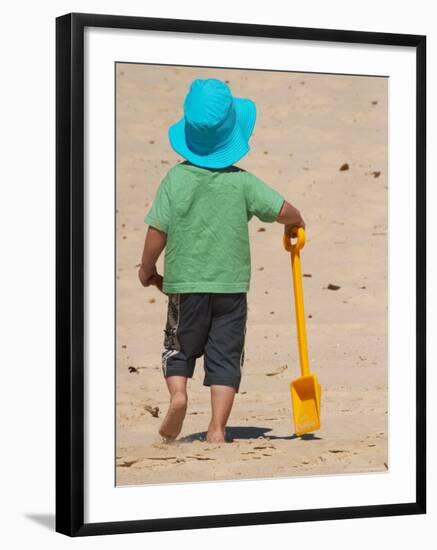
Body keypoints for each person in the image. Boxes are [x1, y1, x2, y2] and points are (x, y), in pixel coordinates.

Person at [138, 78, 305, 443]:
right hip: (230, 288)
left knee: (179, 347)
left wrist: (147, 268)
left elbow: (157, 232)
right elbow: (280, 208)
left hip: (185, 286)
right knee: (226, 357)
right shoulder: (243, 183)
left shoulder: (175, 179)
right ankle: (217, 428)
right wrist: (296, 220)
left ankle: (179, 394)